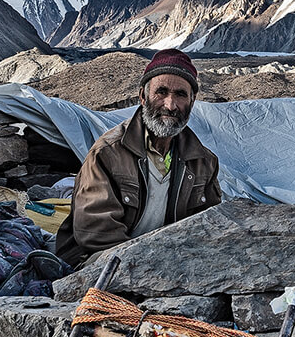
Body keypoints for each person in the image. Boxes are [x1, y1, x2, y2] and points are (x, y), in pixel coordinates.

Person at [56, 49, 221, 267]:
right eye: (161, 92)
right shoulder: (107, 153)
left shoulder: (204, 162)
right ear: (143, 96)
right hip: (106, 258)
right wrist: (152, 265)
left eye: (181, 94)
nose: (170, 105)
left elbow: (209, 226)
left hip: (170, 259)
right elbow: (96, 232)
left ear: (192, 101)